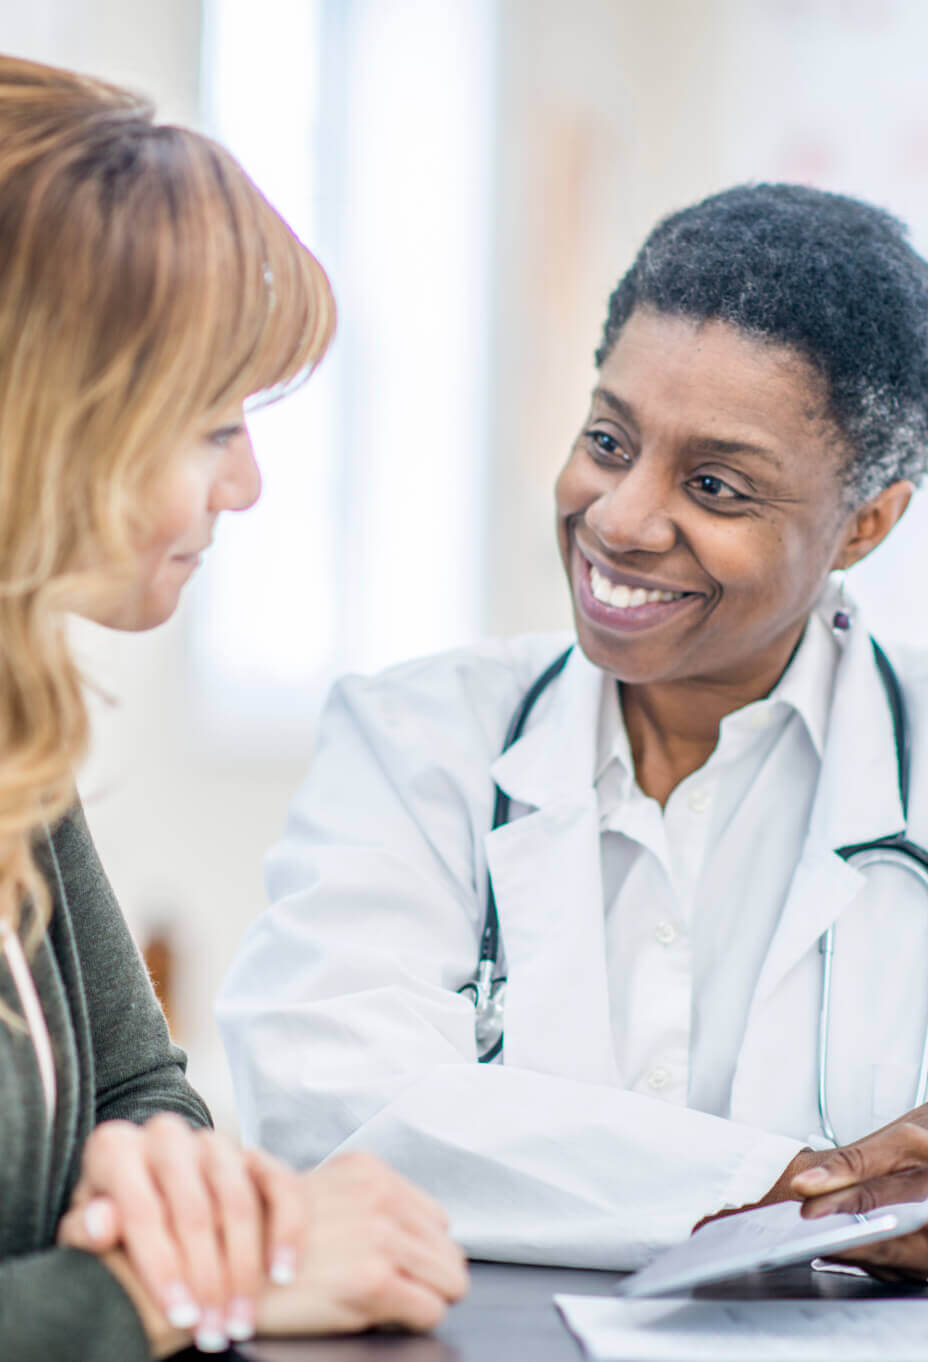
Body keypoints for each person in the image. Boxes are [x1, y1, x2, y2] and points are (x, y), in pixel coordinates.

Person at [218, 182, 928, 1279]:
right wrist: (810, 1194)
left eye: (714, 485)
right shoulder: (416, 738)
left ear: (866, 522)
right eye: (607, 439)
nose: (618, 519)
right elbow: (331, 1100)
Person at [0, 53, 467, 1361]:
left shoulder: (17, 732)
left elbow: (143, 1090)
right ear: (53, 421)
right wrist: (177, 1289)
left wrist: (177, 1192)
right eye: (214, 425)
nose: (248, 485)